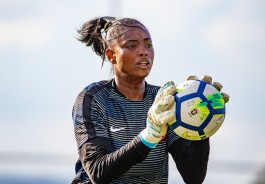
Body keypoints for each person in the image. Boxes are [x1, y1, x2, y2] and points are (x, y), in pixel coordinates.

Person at [71, 16, 229, 184]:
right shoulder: (93, 98)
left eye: (148, 45)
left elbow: (193, 177)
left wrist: (201, 125)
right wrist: (150, 135)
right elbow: (98, 172)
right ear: (111, 55)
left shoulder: (167, 101)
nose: (143, 51)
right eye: (132, 45)